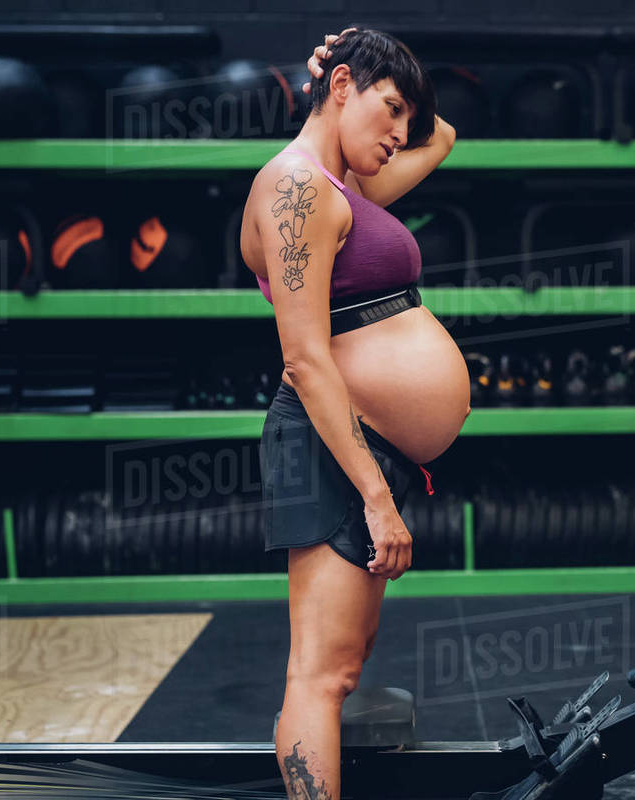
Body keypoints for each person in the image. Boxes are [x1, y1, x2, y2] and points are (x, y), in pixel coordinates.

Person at [239, 27, 469, 800]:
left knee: (344, 661)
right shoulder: (297, 188)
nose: (400, 134)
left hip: (365, 447)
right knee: (320, 673)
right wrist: (376, 498)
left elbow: (444, 138)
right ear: (340, 87)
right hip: (336, 450)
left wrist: (369, 83)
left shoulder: (348, 188)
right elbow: (305, 360)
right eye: (390, 109)